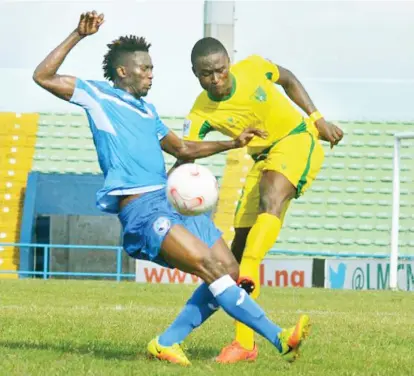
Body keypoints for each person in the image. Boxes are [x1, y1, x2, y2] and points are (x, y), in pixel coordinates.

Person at [33, 12, 311, 367]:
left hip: (170, 203)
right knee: (211, 266)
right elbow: (42, 76)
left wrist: (233, 143)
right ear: (123, 72)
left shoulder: (149, 112)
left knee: (228, 268)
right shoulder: (98, 96)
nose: (151, 73)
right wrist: (77, 34)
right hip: (142, 211)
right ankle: (279, 338)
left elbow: (183, 149)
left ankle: (166, 343)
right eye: (145, 68)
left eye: (152, 67)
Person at [168, 37, 344, 363]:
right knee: (232, 262)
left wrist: (317, 118)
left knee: (271, 198)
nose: (216, 79)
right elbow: (185, 151)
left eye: (221, 70)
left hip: (296, 139)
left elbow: (287, 77)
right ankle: (243, 345)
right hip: (259, 159)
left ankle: (249, 277)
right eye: (207, 74)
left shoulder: (253, 67)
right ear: (196, 74)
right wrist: (169, 184)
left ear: (229, 64)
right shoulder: (200, 111)